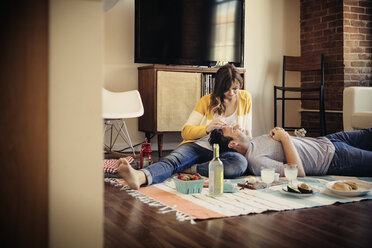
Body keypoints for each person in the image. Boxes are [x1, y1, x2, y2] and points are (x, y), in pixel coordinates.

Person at [116, 64, 253, 189]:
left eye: (235, 88)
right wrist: (207, 128)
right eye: (226, 89)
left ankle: (189, 168)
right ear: (218, 87)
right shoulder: (207, 101)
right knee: (173, 160)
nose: (231, 93)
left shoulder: (245, 98)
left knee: (239, 164)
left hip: (223, 152)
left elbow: (248, 134)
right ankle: (139, 177)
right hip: (198, 146)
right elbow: (186, 132)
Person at [209, 125, 372, 177]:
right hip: (334, 158)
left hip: (328, 141)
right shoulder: (256, 162)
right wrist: (285, 138)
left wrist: (282, 135)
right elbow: (298, 172)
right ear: (233, 144)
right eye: (233, 130)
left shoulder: (253, 143)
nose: (237, 126)